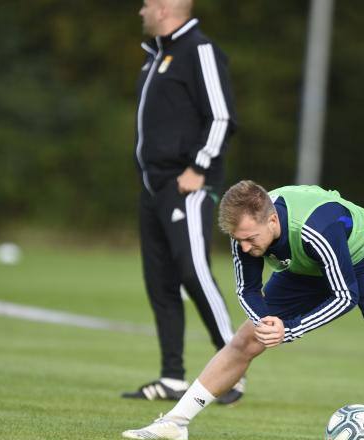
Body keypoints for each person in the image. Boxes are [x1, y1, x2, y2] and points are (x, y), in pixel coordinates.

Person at [122, 181, 364, 440]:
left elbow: (345, 295)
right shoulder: (245, 235)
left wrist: (290, 329)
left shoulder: (316, 228)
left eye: (251, 238)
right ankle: (175, 423)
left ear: (272, 219)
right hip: (302, 268)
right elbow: (247, 289)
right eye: (239, 240)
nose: (245, 247)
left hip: (363, 260)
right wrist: (264, 323)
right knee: (244, 340)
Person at [122, 0, 244, 404]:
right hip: (152, 186)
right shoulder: (156, 56)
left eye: (145, 4)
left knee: (194, 272)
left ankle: (233, 370)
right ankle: (172, 376)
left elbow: (222, 117)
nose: (140, 11)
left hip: (186, 185)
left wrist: (198, 167)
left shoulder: (199, 50)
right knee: (159, 281)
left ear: (162, 8)